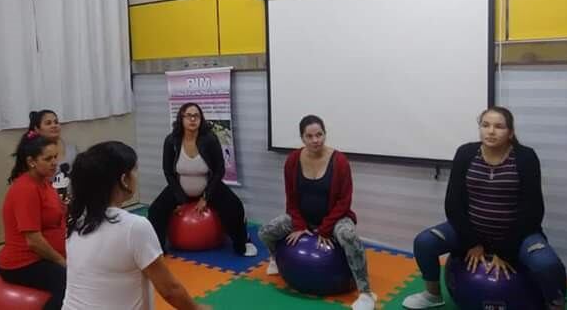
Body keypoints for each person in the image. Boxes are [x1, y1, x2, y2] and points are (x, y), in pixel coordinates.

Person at [402, 107, 567, 310]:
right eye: (485, 125)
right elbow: (453, 204)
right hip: (471, 233)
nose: (491, 131)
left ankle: (556, 305)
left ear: (511, 133)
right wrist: (472, 242)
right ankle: (433, 295)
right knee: (424, 242)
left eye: (499, 126)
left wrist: (506, 251)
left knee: (547, 264)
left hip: (518, 236)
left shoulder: (526, 157)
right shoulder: (466, 153)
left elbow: (533, 211)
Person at [62, 141, 210, 310]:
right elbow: (170, 290)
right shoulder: (134, 227)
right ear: (124, 180)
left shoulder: (77, 220)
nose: (136, 176)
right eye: (134, 170)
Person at [258, 115, 376, 310]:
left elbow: (344, 201)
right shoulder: (293, 160)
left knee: (349, 236)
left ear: (325, 135)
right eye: (310, 136)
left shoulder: (339, 161)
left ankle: (365, 293)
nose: (315, 140)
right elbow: (291, 199)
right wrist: (299, 225)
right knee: (265, 232)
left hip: (335, 219)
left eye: (319, 135)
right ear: (302, 138)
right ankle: (276, 258)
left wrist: (325, 229)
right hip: (304, 218)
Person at [148, 103, 257, 256]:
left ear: (201, 119)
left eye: (196, 116)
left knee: (235, 207)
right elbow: (168, 171)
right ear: (181, 118)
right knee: (155, 211)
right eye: (188, 115)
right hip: (180, 187)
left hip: (208, 186)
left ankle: (242, 243)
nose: (192, 119)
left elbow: (219, 170)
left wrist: (205, 197)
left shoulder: (209, 139)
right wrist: (180, 199)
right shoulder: (171, 140)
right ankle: (157, 249)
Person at [0, 131, 67, 310]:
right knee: (68, 282)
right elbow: (34, 241)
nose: (54, 162)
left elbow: (59, 213)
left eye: (55, 157)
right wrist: (62, 262)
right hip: (23, 263)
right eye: (48, 158)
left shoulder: (44, 182)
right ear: (31, 162)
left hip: (43, 257)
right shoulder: (25, 189)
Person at [29, 110, 77, 201]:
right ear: (37, 129)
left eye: (56, 122)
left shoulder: (72, 149)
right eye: (48, 123)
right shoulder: (33, 156)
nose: (54, 125)